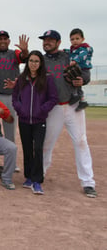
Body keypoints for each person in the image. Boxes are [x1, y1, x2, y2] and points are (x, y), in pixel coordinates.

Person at [39, 29, 97, 198]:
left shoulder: (68, 56)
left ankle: (88, 182)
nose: (46, 42)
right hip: (53, 108)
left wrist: (82, 79)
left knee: (81, 142)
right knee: (46, 143)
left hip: (73, 105)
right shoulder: (41, 60)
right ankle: (40, 174)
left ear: (58, 42)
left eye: (50, 40)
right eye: (45, 40)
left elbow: (85, 72)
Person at [12, 50, 58, 194]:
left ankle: (37, 181)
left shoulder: (47, 79)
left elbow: (53, 98)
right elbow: (15, 98)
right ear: (28, 62)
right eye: (31, 61)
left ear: (40, 63)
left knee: (38, 148)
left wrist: (42, 110)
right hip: (24, 119)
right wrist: (20, 109)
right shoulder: (21, 79)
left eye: (36, 61)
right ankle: (29, 177)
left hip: (39, 120)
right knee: (27, 148)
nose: (33, 64)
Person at [0, 31, 29, 173]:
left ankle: (11, 163)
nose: (2, 41)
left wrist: (25, 50)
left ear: (8, 41)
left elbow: (23, 57)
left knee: (10, 131)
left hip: (10, 96)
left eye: (4, 39)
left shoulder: (13, 53)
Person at [65, 28, 94, 111]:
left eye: (77, 39)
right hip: (79, 70)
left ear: (82, 39)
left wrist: (75, 60)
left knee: (75, 81)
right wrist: (63, 50)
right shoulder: (74, 50)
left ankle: (77, 97)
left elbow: (82, 55)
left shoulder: (84, 49)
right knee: (74, 83)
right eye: (72, 39)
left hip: (84, 71)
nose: (74, 41)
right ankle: (80, 99)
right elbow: (70, 52)